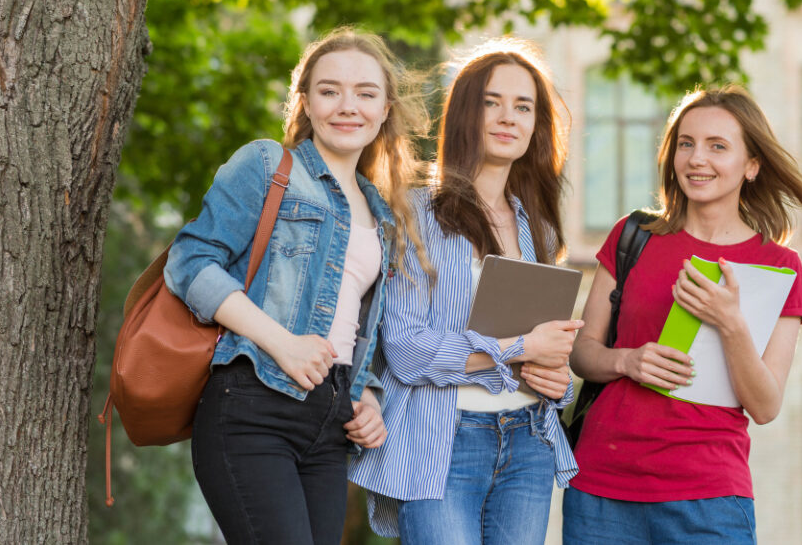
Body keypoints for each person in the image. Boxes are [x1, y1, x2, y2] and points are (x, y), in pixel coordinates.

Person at [163, 27, 429, 544]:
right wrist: (281, 343)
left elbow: (354, 326)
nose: (347, 106)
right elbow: (189, 262)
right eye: (330, 91)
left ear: (385, 109)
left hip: (329, 425)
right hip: (252, 407)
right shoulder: (268, 165)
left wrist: (368, 397)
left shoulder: (381, 211)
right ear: (305, 102)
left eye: (365, 93)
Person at [563, 85, 802, 544]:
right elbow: (582, 353)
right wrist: (626, 360)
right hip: (602, 489)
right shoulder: (633, 237)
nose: (696, 159)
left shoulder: (778, 267)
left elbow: (765, 405)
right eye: (686, 144)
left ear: (751, 166)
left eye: (718, 147)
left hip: (709, 498)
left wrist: (730, 323)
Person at [349, 38, 580, 543]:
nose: (508, 117)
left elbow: (546, 364)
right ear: (465, 113)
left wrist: (552, 373)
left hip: (528, 446)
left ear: (535, 126)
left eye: (523, 107)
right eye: (492, 102)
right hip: (442, 443)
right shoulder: (415, 211)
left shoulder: (536, 227)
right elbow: (407, 352)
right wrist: (520, 349)